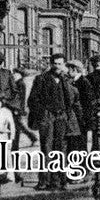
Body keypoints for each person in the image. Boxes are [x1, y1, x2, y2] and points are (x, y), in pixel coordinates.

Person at [28, 53, 79, 191]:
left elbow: (73, 98)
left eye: (60, 64)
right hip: (47, 117)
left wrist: (68, 114)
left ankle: (60, 181)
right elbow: (33, 100)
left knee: (61, 149)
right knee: (47, 148)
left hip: (62, 117)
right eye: (55, 64)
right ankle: (44, 181)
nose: (57, 66)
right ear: (51, 64)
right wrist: (42, 113)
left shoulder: (66, 80)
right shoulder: (41, 79)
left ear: (64, 65)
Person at [67, 60, 94, 153]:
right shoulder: (72, 82)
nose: (67, 71)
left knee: (80, 144)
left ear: (74, 69)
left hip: (81, 119)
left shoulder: (84, 82)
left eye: (69, 69)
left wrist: (86, 120)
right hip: (75, 118)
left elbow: (88, 104)